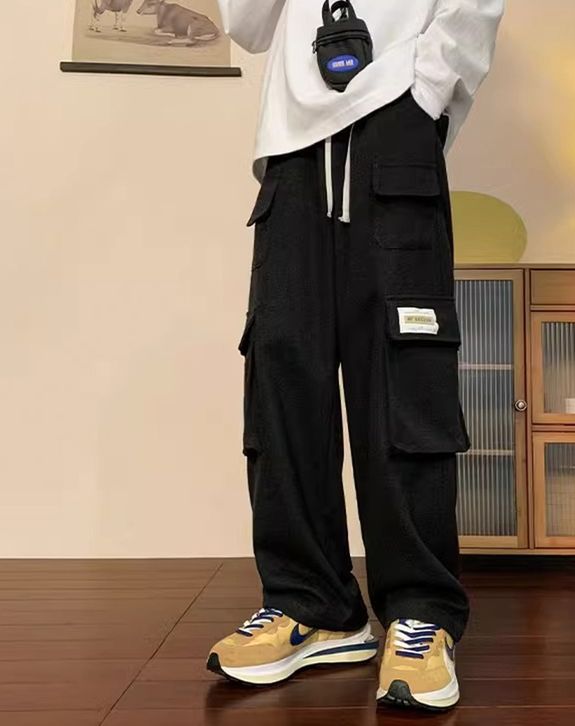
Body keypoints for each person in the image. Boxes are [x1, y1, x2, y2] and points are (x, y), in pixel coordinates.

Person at [208, 0, 504, 711]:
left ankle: (421, 611)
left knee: (403, 381)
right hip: (290, 148)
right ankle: (311, 606)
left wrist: (422, 89)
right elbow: (247, 25)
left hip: (395, 125)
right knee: (282, 370)